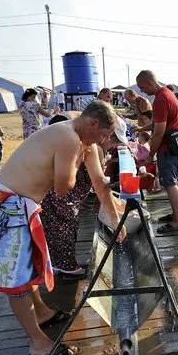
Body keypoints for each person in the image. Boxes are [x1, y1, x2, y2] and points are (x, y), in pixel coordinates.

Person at [0, 100, 124, 355]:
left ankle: (42, 313)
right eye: (103, 134)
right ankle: (37, 343)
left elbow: (99, 184)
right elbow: (62, 187)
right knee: (16, 278)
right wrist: (78, 159)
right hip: (2, 205)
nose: (104, 141)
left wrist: (116, 219)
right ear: (92, 123)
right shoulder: (68, 138)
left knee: (29, 265)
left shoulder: (82, 139)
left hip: (21, 204)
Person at [40, 114, 126, 280]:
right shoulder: (92, 148)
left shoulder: (86, 144)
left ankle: (58, 265)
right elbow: (99, 184)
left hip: (60, 195)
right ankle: (67, 266)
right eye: (108, 137)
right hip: (63, 196)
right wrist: (115, 212)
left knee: (56, 231)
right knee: (63, 229)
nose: (111, 143)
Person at [135, 70, 178, 233]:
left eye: (142, 87)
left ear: (149, 82)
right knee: (175, 180)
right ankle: (177, 213)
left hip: (167, 147)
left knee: (169, 183)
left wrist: (150, 155)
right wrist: (143, 127)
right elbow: (159, 123)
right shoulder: (168, 93)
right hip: (176, 145)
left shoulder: (160, 100)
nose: (142, 91)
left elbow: (159, 132)